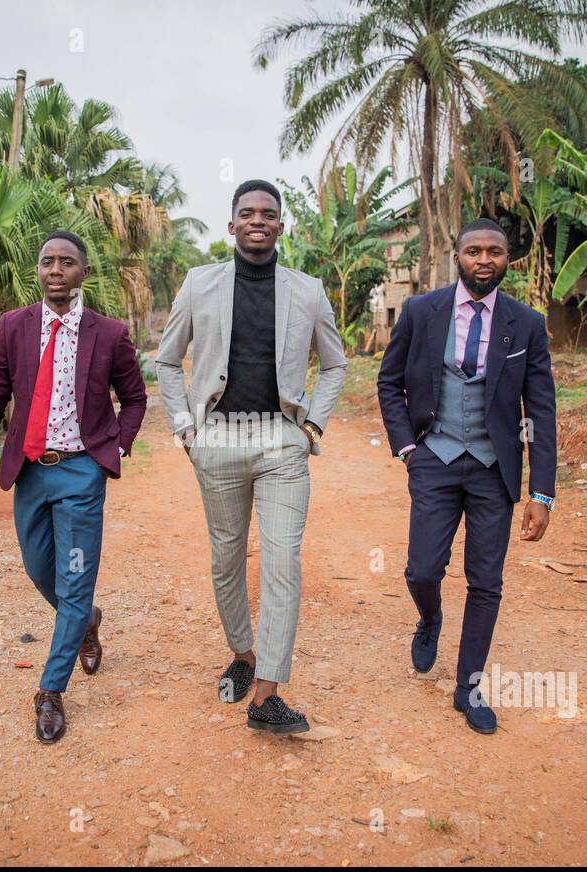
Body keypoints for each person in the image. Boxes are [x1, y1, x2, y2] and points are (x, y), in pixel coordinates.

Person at [155, 179, 346, 734]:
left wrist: (313, 423)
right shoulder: (199, 284)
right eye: (247, 213)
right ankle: (242, 655)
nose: (258, 220)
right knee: (227, 557)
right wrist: (187, 430)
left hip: (282, 439)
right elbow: (167, 360)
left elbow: (334, 363)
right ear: (232, 224)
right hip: (218, 437)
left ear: (282, 226)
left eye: (268, 213)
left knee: (283, 557)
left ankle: (267, 692)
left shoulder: (308, 291)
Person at [0, 231, 147, 743]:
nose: (55, 270)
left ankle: (50, 691)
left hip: (82, 472)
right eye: (47, 262)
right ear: (37, 271)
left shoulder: (107, 333)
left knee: (76, 577)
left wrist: (117, 448)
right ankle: (86, 622)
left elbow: (134, 398)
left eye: (67, 262)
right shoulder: (13, 327)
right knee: (40, 568)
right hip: (31, 473)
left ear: (83, 273)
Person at [376, 218, 557, 734]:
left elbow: (541, 413)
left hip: (493, 469)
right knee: (422, 570)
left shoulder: (525, 323)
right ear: (457, 257)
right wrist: (408, 448)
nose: (484, 260)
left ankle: (468, 688)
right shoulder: (420, 311)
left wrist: (541, 492)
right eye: (474, 251)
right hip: (433, 456)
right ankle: (429, 617)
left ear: (507, 259)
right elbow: (389, 382)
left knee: (486, 582)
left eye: (495, 251)